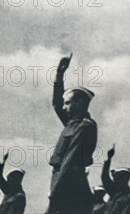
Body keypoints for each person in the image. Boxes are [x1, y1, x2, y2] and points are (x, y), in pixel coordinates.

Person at [47, 53, 98, 214]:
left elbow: (70, 161)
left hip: (70, 186)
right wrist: (59, 75)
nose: (64, 107)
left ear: (81, 103)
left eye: (68, 103)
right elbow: (56, 104)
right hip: (63, 182)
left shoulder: (84, 127)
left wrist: (55, 195)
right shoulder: (73, 123)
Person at [101, 145, 130, 214]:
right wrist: (108, 159)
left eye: (116, 179)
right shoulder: (114, 192)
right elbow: (105, 178)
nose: (114, 181)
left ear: (124, 179)